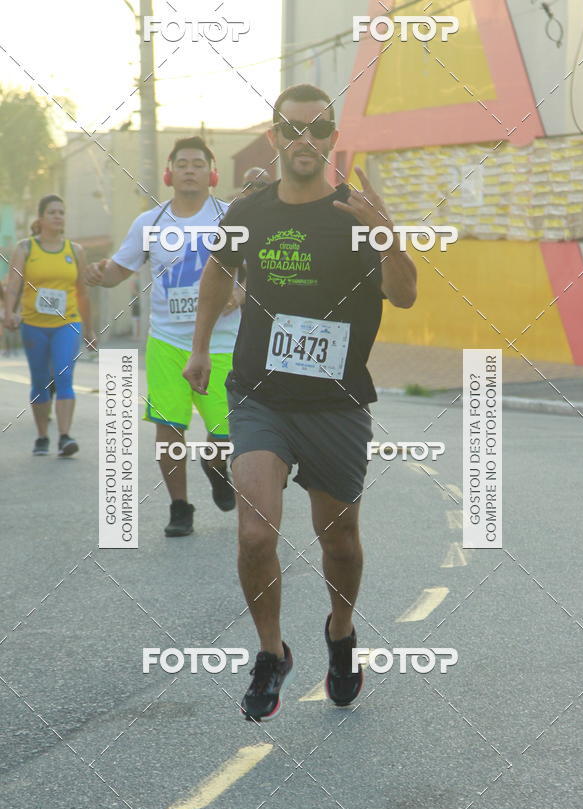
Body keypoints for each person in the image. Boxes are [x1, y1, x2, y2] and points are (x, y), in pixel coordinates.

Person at [183, 83, 417, 721]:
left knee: (338, 540)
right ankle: (270, 653)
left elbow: (405, 296)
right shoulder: (250, 210)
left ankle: (340, 635)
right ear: (276, 137)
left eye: (317, 130)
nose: (304, 141)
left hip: (337, 405)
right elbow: (216, 275)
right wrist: (200, 349)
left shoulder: (356, 213)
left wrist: (387, 235)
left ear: (332, 138)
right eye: (293, 130)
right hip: (261, 396)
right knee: (256, 533)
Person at [85, 136, 243, 537]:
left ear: (212, 171)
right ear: (170, 172)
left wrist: (240, 292)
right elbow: (120, 269)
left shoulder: (230, 217)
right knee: (168, 426)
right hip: (168, 343)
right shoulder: (149, 223)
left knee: (228, 430)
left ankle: (214, 464)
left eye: (198, 162)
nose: (190, 168)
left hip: (223, 342)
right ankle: (180, 507)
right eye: (182, 163)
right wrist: (101, 274)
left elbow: (255, 270)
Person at [3, 195, 96, 456]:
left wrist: (89, 329)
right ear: (41, 218)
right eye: (53, 212)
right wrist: (9, 312)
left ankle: (65, 436)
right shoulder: (26, 248)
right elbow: (13, 285)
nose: (58, 216)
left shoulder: (75, 251)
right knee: (41, 381)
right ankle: (42, 435)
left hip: (67, 323)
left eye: (62, 212)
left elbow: (83, 293)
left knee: (64, 377)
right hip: (34, 325)